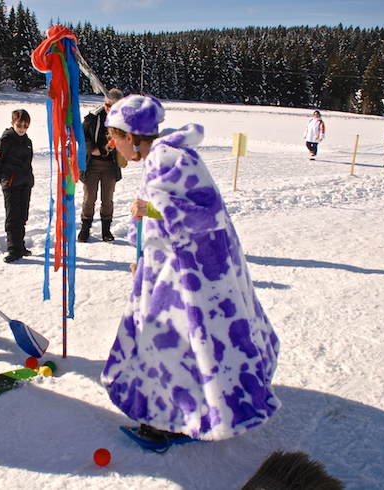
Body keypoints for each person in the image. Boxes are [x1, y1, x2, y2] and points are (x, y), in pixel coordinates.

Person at [100, 95, 281, 452]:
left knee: (168, 341)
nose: (111, 143)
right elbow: (167, 219)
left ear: (134, 136)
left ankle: (171, 421)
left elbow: (206, 213)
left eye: (115, 135)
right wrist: (145, 253)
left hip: (189, 278)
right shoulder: (159, 157)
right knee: (176, 344)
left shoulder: (170, 158)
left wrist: (154, 207)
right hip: (173, 271)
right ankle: (175, 416)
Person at [78, 88, 125, 242]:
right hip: (92, 163)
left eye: (114, 106)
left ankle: (106, 230)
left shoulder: (123, 121)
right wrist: (92, 149)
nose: (109, 108)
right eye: (107, 105)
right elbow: (82, 135)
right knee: (89, 196)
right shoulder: (93, 117)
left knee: (107, 198)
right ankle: (85, 228)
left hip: (110, 165)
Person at [0, 109, 34, 263]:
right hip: (11, 185)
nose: (22, 128)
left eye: (25, 125)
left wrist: (29, 179)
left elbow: (28, 162)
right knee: (13, 218)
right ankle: (13, 250)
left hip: (25, 184)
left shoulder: (27, 142)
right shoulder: (5, 141)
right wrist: (4, 180)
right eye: (19, 125)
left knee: (22, 216)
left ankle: (20, 246)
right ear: (12, 124)